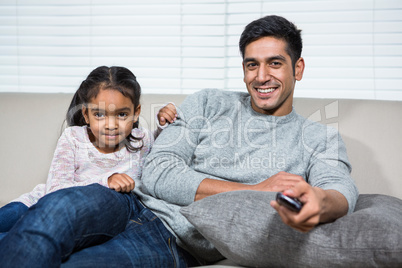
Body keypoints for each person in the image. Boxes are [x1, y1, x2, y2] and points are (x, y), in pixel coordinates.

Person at [0, 15, 359, 267]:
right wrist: (254, 189)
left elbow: (338, 189)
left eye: (275, 64)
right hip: (128, 202)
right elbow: (157, 171)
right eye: (252, 65)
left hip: (177, 242)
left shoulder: (320, 137)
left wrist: (322, 202)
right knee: (57, 210)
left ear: (297, 68)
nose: (261, 76)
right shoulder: (208, 102)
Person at [0, 65, 177, 232]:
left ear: (136, 112)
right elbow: (55, 192)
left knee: (17, 243)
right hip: (34, 205)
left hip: (78, 223)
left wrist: (165, 122)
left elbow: (165, 152)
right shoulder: (73, 138)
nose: (111, 125)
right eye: (99, 114)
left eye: (122, 114)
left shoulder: (142, 140)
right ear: (86, 115)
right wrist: (106, 182)